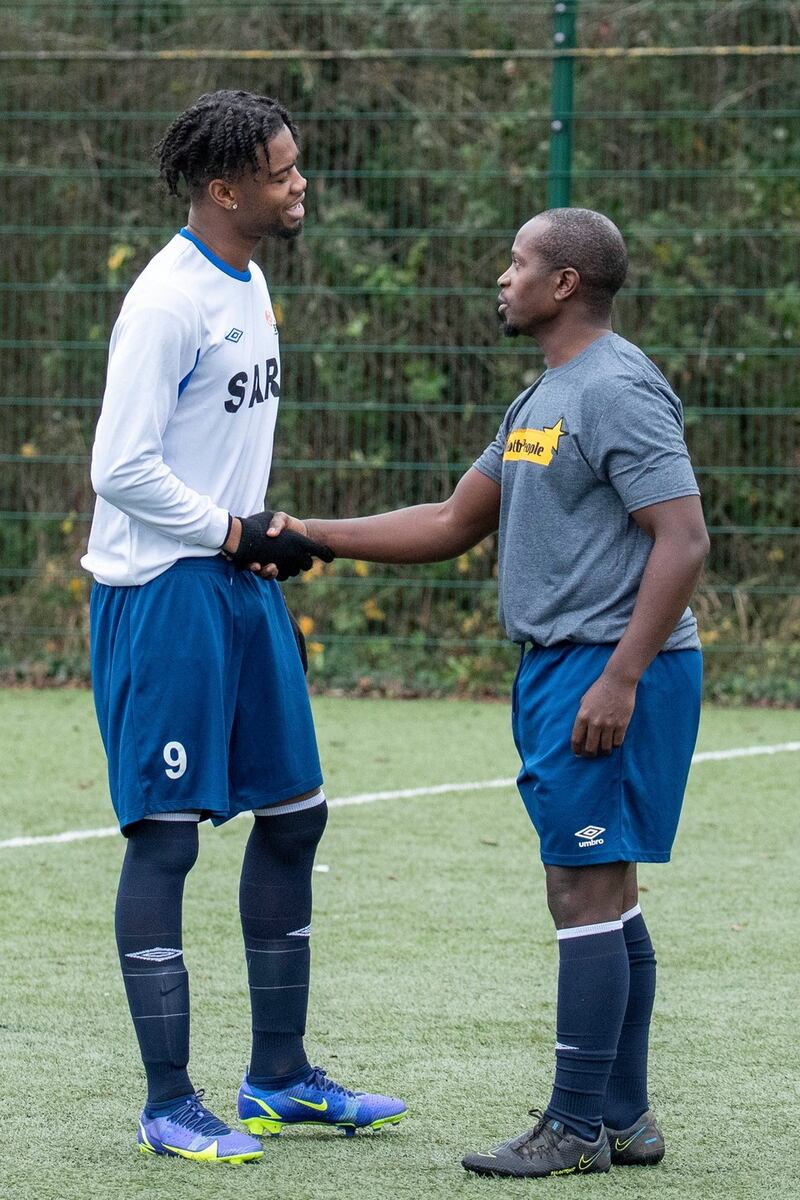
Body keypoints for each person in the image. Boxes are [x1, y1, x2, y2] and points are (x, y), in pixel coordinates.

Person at [262, 208, 709, 1179]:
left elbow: (681, 538)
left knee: (581, 888)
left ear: (561, 284)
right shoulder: (539, 400)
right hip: (563, 667)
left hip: (608, 666)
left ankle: (573, 1124)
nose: (499, 277)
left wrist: (620, 677)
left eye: (516, 262)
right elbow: (451, 519)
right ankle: (622, 1118)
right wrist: (313, 534)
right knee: (608, 890)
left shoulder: (617, 388)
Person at [82, 89, 407, 1164]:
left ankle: (277, 1079)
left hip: (235, 584)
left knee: (296, 814)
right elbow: (118, 470)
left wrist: (251, 537)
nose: (297, 182)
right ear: (224, 190)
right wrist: (231, 529)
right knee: (166, 840)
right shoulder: (166, 301)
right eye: (279, 171)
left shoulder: (251, 277)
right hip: (165, 593)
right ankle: (168, 1102)